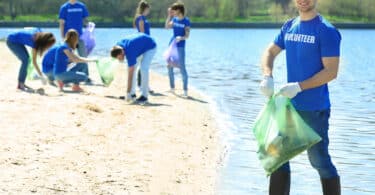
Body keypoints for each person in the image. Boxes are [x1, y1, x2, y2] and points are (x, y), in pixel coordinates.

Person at [259, 0, 341, 194]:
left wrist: (299, 86)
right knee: (277, 155)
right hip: (289, 108)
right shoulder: (289, 26)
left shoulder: (326, 30)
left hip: (315, 110)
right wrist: (267, 75)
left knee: (319, 161)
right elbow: (269, 51)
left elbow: (331, 72)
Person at [110, 33, 157, 104]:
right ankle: (132, 94)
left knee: (143, 69)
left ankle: (144, 96)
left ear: (122, 52)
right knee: (132, 68)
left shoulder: (130, 51)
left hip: (150, 46)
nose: (119, 59)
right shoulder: (117, 46)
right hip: (140, 46)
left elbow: (130, 75)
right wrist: (129, 93)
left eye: (119, 57)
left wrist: (127, 92)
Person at [59, 0, 91, 83]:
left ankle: (86, 76)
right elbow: (61, 23)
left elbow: (85, 20)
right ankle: (63, 75)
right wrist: (62, 36)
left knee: (83, 55)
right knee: (67, 57)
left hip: (80, 36)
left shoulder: (81, 6)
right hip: (68, 36)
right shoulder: (64, 7)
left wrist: (90, 28)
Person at [165, 2, 190, 97]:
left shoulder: (186, 21)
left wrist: (181, 38)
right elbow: (167, 27)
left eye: (174, 10)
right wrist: (169, 16)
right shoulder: (174, 19)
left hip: (180, 46)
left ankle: (185, 91)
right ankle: (172, 88)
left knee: (182, 68)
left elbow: (187, 36)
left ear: (179, 10)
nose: (172, 11)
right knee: (169, 66)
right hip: (172, 45)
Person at [133, 0, 153, 92]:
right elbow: (141, 32)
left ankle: (143, 85)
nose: (148, 11)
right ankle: (141, 85)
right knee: (143, 65)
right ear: (145, 9)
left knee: (143, 65)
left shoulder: (141, 17)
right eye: (148, 9)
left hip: (145, 42)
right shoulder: (141, 18)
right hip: (143, 43)